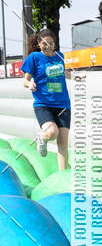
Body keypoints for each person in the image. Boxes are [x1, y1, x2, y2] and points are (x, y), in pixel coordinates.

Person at [20, 28, 71, 169]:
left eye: (51, 43)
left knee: (63, 143)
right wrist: (30, 84)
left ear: (55, 43)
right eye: (45, 44)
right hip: (43, 104)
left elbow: (63, 73)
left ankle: (63, 176)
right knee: (52, 132)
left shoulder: (60, 56)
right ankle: (42, 137)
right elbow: (26, 80)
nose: (48, 47)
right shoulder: (34, 58)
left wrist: (77, 76)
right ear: (39, 43)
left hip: (63, 104)